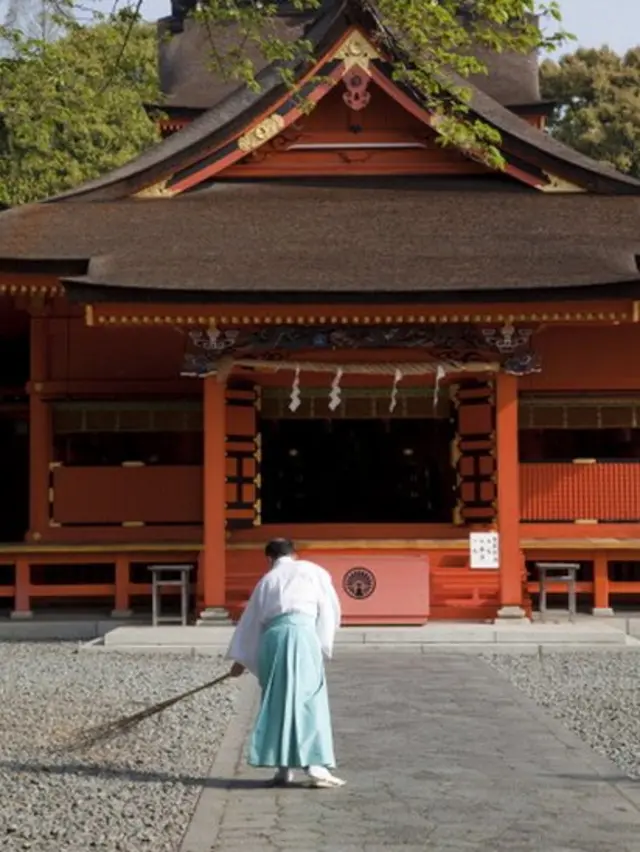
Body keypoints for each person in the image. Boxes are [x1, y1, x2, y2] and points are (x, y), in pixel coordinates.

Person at [227, 538, 345, 788]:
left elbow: (251, 622)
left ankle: (283, 768)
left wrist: (241, 659)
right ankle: (315, 766)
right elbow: (329, 608)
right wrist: (322, 641)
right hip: (302, 634)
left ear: (269, 559)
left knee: (277, 698)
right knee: (307, 698)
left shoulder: (267, 580)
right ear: (294, 554)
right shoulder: (313, 571)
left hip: (273, 638)